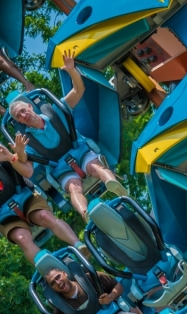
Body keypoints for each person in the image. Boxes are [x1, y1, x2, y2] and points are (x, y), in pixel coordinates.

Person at [8, 50, 127, 222]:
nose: (23, 115)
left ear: (30, 107)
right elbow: (26, 161)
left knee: (95, 168)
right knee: (74, 188)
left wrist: (71, 70)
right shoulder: (26, 139)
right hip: (60, 169)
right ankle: (87, 215)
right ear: (19, 122)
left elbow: (79, 90)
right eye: (19, 116)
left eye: (23, 110)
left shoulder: (55, 110)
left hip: (81, 152)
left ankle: (117, 187)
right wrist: (19, 152)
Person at [0, 133, 82, 263]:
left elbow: (27, 171)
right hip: (4, 216)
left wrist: (13, 156)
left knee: (45, 216)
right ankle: (49, 270)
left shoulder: (2, 155)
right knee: (22, 238)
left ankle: (79, 245)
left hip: (26, 197)